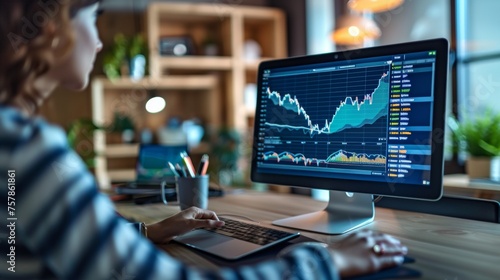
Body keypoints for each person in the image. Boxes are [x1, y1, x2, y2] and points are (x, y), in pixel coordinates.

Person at [0, 1, 407, 279]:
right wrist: (326, 261)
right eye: (93, 18)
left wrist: (147, 234)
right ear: (53, 30)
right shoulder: (27, 150)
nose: (100, 40)